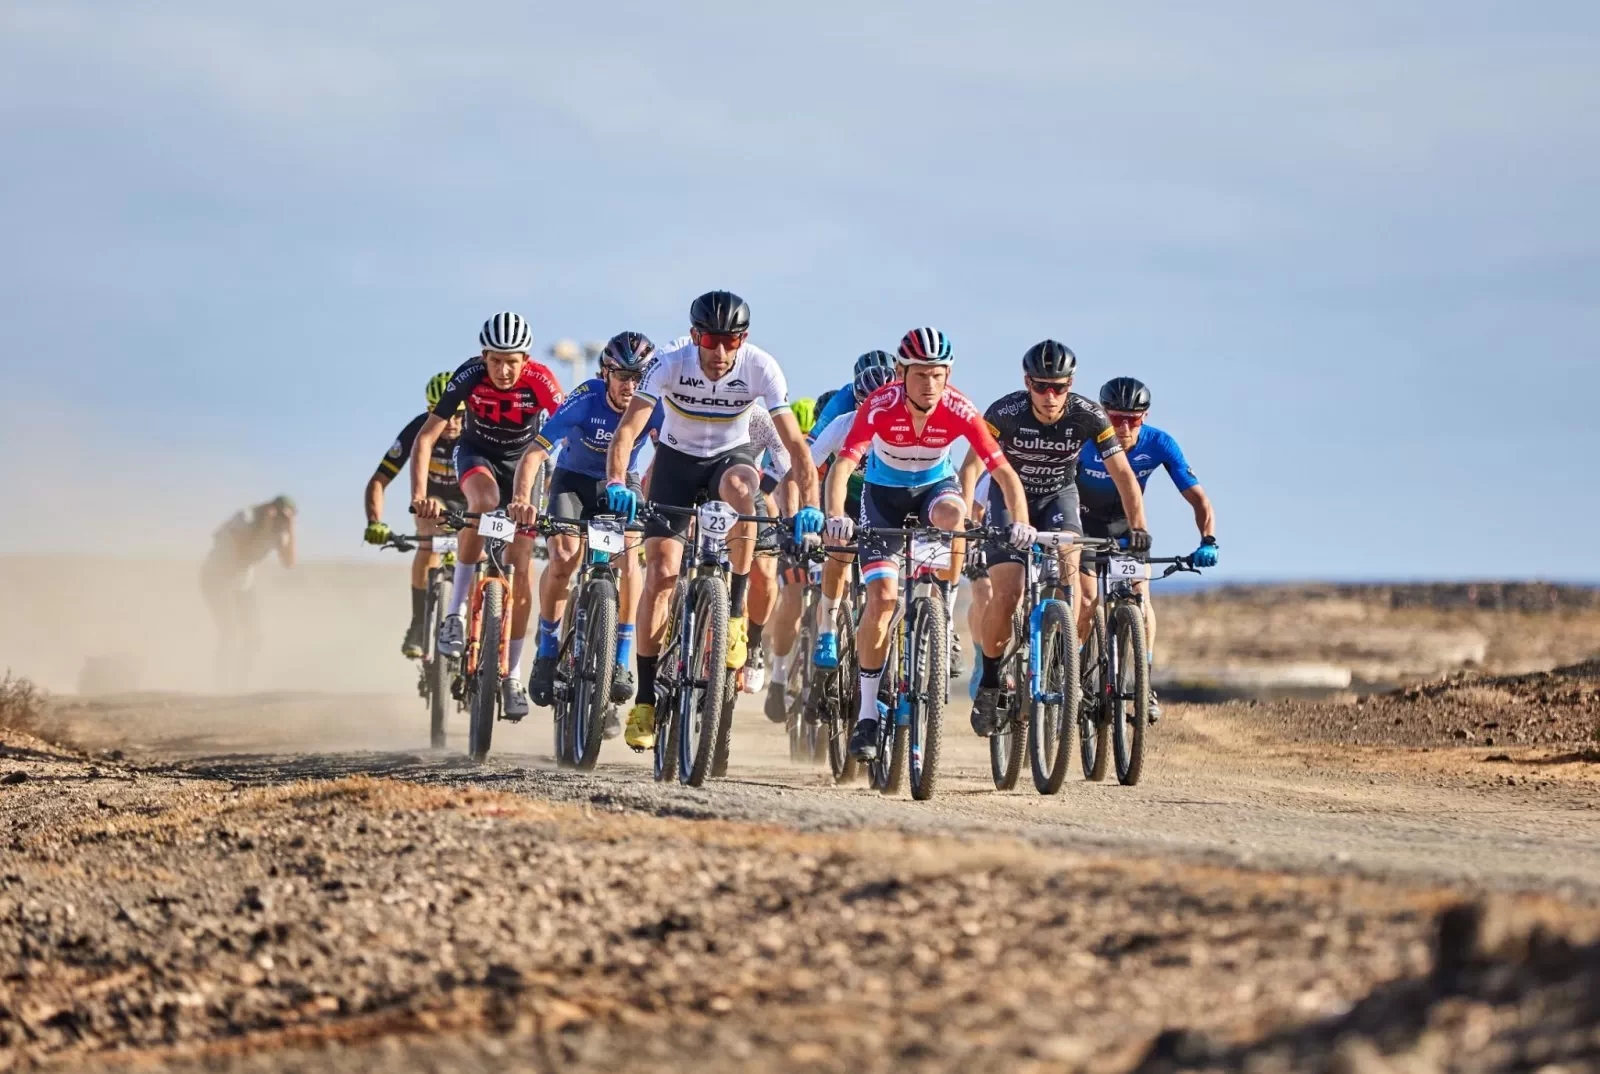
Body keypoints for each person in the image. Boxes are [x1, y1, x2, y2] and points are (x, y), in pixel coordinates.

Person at [603, 290, 824, 751]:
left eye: (731, 341)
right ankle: (645, 697)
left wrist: (809, 507)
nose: (720, 352)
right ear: (694, 335)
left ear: (743, 339)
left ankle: (737, 613)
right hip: (675, 463)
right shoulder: (667, 361)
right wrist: (617, 483)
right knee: (661, 577)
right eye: (710, 340)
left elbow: (796, 450)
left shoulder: (761, 366)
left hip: (730, 458)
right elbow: (627, 431)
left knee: (745, 491)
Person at [821, 328, 1035, 762]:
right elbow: (842, 466)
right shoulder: (881, 404)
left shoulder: (959, 407)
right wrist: (836, 517)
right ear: (902, 372)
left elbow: (1003, 470)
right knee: (881, 600)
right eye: (921, 374)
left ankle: (944, 605)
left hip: (936, 491)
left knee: (954, 517)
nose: (930, 384)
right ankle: (866, 713)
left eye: (938, 374)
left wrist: (1022, 523)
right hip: (882, 499)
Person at [957, 341, 1150, 735]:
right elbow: (972, 466)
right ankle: (991, 682)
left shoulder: (1089, 416)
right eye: (1041, 386)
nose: (1050, 396)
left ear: (1070, 385)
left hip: (1059, 497)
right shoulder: (1004, 412)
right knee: (1007, 593)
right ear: (1027, 382)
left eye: (1058, 387)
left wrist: (1139, 527)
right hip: (1010, 497)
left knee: (1070, 575)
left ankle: (1065, 666)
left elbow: (1123, 476)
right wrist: (964, 518)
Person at [410, 312, 565, 720]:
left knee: (521, 563)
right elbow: (426, 437)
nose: (503, 370)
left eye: (512, 361)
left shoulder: (542, 379)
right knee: (483, 501)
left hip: (525, 465)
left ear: (526, 359)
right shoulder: (469, 375)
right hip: (477, 455)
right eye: (495, 360)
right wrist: (420, 497)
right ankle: (455, 614)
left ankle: (511, 674)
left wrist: (553, 493)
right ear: (484, 356)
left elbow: (567, 432)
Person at [508, 332, 661, 724]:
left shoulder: (653, 406)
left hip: (621, 484)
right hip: (572, 481)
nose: (630, 385)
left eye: (639, 377)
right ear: (605, 373)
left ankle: (622, 658)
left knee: (629, 562)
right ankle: (546, 648)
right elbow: (536, 452)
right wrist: (523, 499)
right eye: (622, 375)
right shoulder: (586, 398)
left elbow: (667, 457)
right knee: (562, 557)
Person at [1077, 376, 1217, 722]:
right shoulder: (1083, 439)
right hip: (1083, 527)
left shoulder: (1159, 443)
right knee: (1085, 599)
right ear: (1102, 414)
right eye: (1116, 418)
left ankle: (1143, 681)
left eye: (1133, 419)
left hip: (1129, 530)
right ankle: (1074, 672)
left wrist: (1208, 540)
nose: (1124, 427)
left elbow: (1198, 498)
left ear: (1146, 417)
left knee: (1141, 598)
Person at [364, 373, 469, 658]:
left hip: (469, 502)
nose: (452, 423)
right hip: (433, 502)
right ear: (430, 410)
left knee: (485, 555)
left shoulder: (477, 428)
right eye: (444, 414)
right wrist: (375, 522)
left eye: (460, 414)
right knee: (428, 536)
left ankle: (485, 627)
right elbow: (378, 481)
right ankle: (419, 623)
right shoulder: (417, 430)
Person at [201, 495, 297, 689]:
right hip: (216, 578)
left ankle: (240, 684)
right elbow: (242, 554)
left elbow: (289, 562)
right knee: (229, 632)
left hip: (242, 584)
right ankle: (220, 685)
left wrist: (291, 528)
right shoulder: (245, 519)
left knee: (255, 636)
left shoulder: (279, 532)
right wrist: (265, 527)